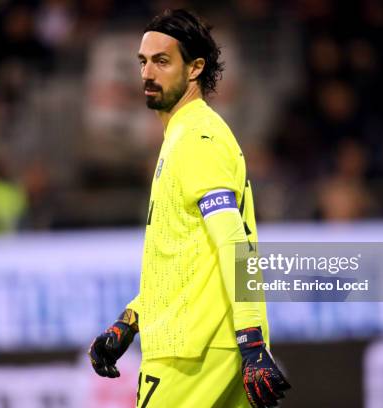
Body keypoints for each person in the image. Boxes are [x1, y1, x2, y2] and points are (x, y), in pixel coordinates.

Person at [88, 9, 291, 407]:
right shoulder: (186, 135)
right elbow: (182, 261)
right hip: (214, 346)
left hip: (190, 354)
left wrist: (252, 341)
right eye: (143, 62)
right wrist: (129, 321)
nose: (147, 73)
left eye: (162, 61)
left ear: (195, 68)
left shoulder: (196, 137)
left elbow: (235, 244)